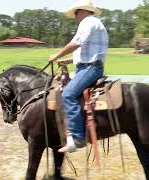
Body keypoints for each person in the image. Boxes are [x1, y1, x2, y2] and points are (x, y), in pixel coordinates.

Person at [48, 0, 109, 153]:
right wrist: (67, 60)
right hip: (88, 66)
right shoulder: (95, 23)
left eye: (76, 12)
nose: (75, 16)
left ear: (83, 10)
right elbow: (85, 51)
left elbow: (76, 43)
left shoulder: (88, 22)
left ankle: (77, 137)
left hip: (90, 68)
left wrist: (56, 55)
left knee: (68, 94)